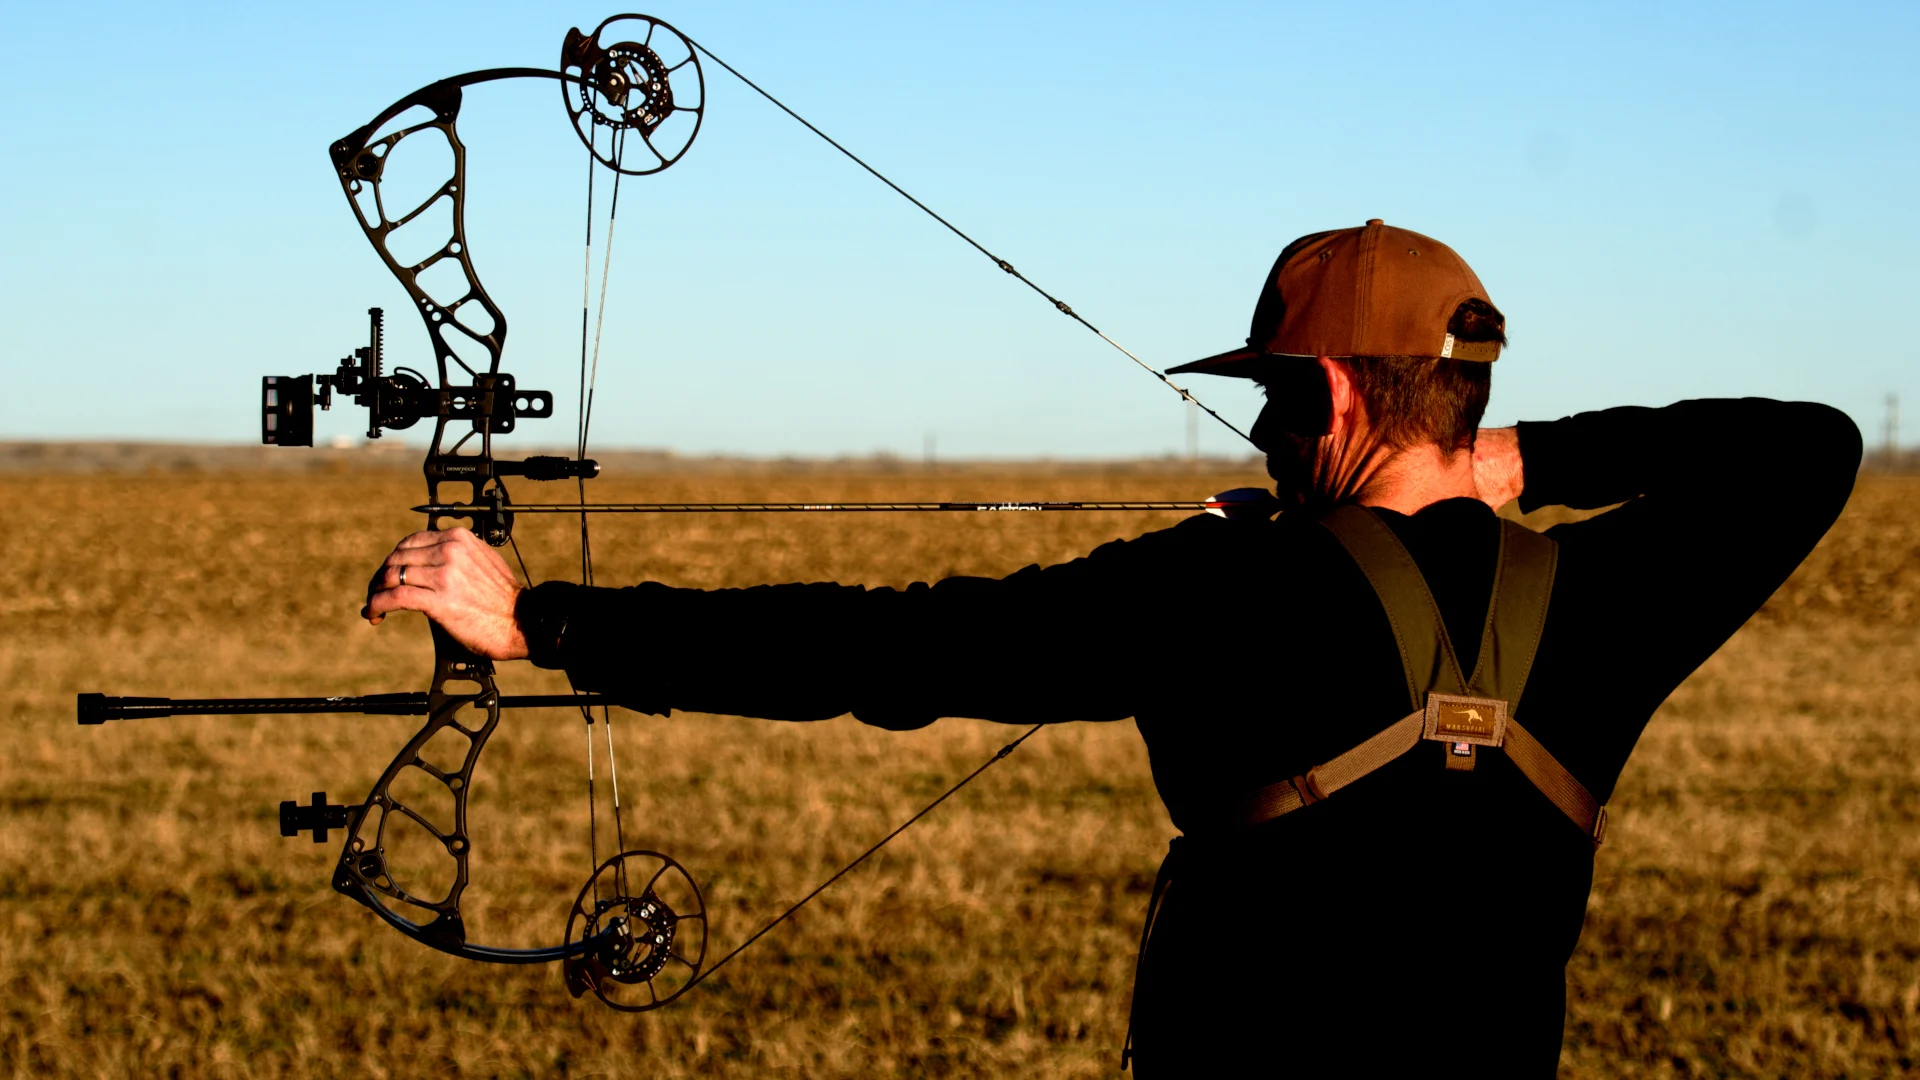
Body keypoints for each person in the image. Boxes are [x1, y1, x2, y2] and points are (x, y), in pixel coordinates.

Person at [363, 219, 1861, 1074]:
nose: (1262, 434)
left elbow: (883, 650)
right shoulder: (1602, 601)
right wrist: (1511, 463)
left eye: (1273, 401)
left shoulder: (1217, 593)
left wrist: (542, 620)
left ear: (1334, 397)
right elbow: (1808, 450)